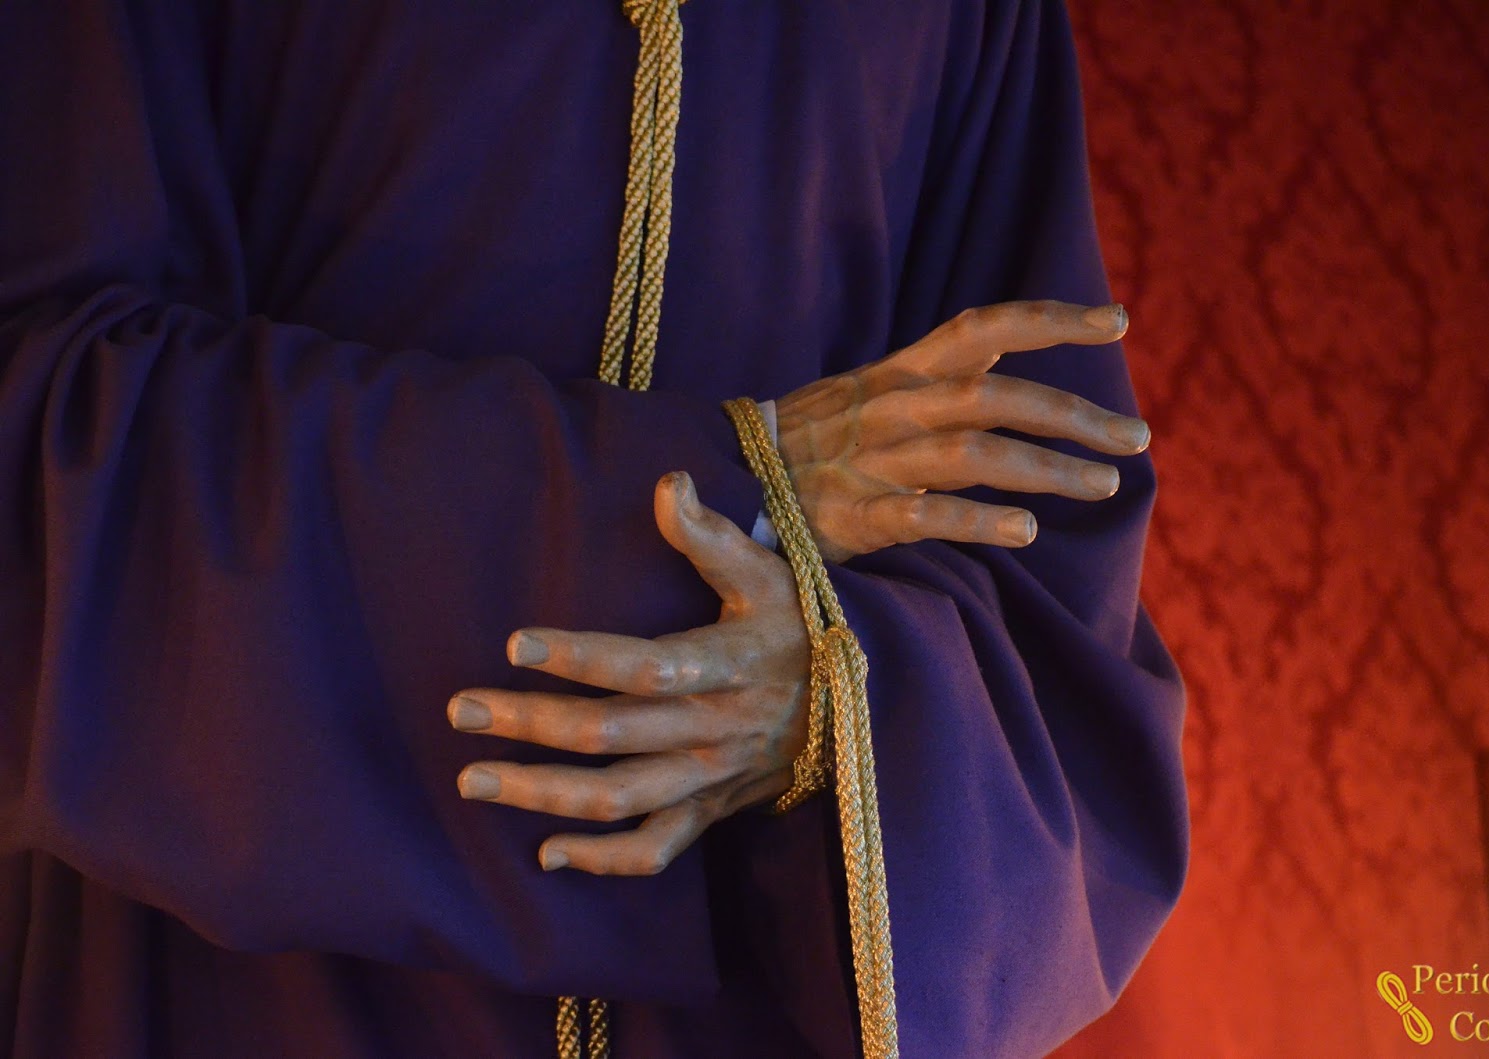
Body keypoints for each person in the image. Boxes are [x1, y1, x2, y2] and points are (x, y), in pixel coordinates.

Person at [0, 1, 1188, 1056]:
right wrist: (707, 499)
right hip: (244, 982)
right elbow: (42, 414)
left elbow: (1041, 565)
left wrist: (832, 698)